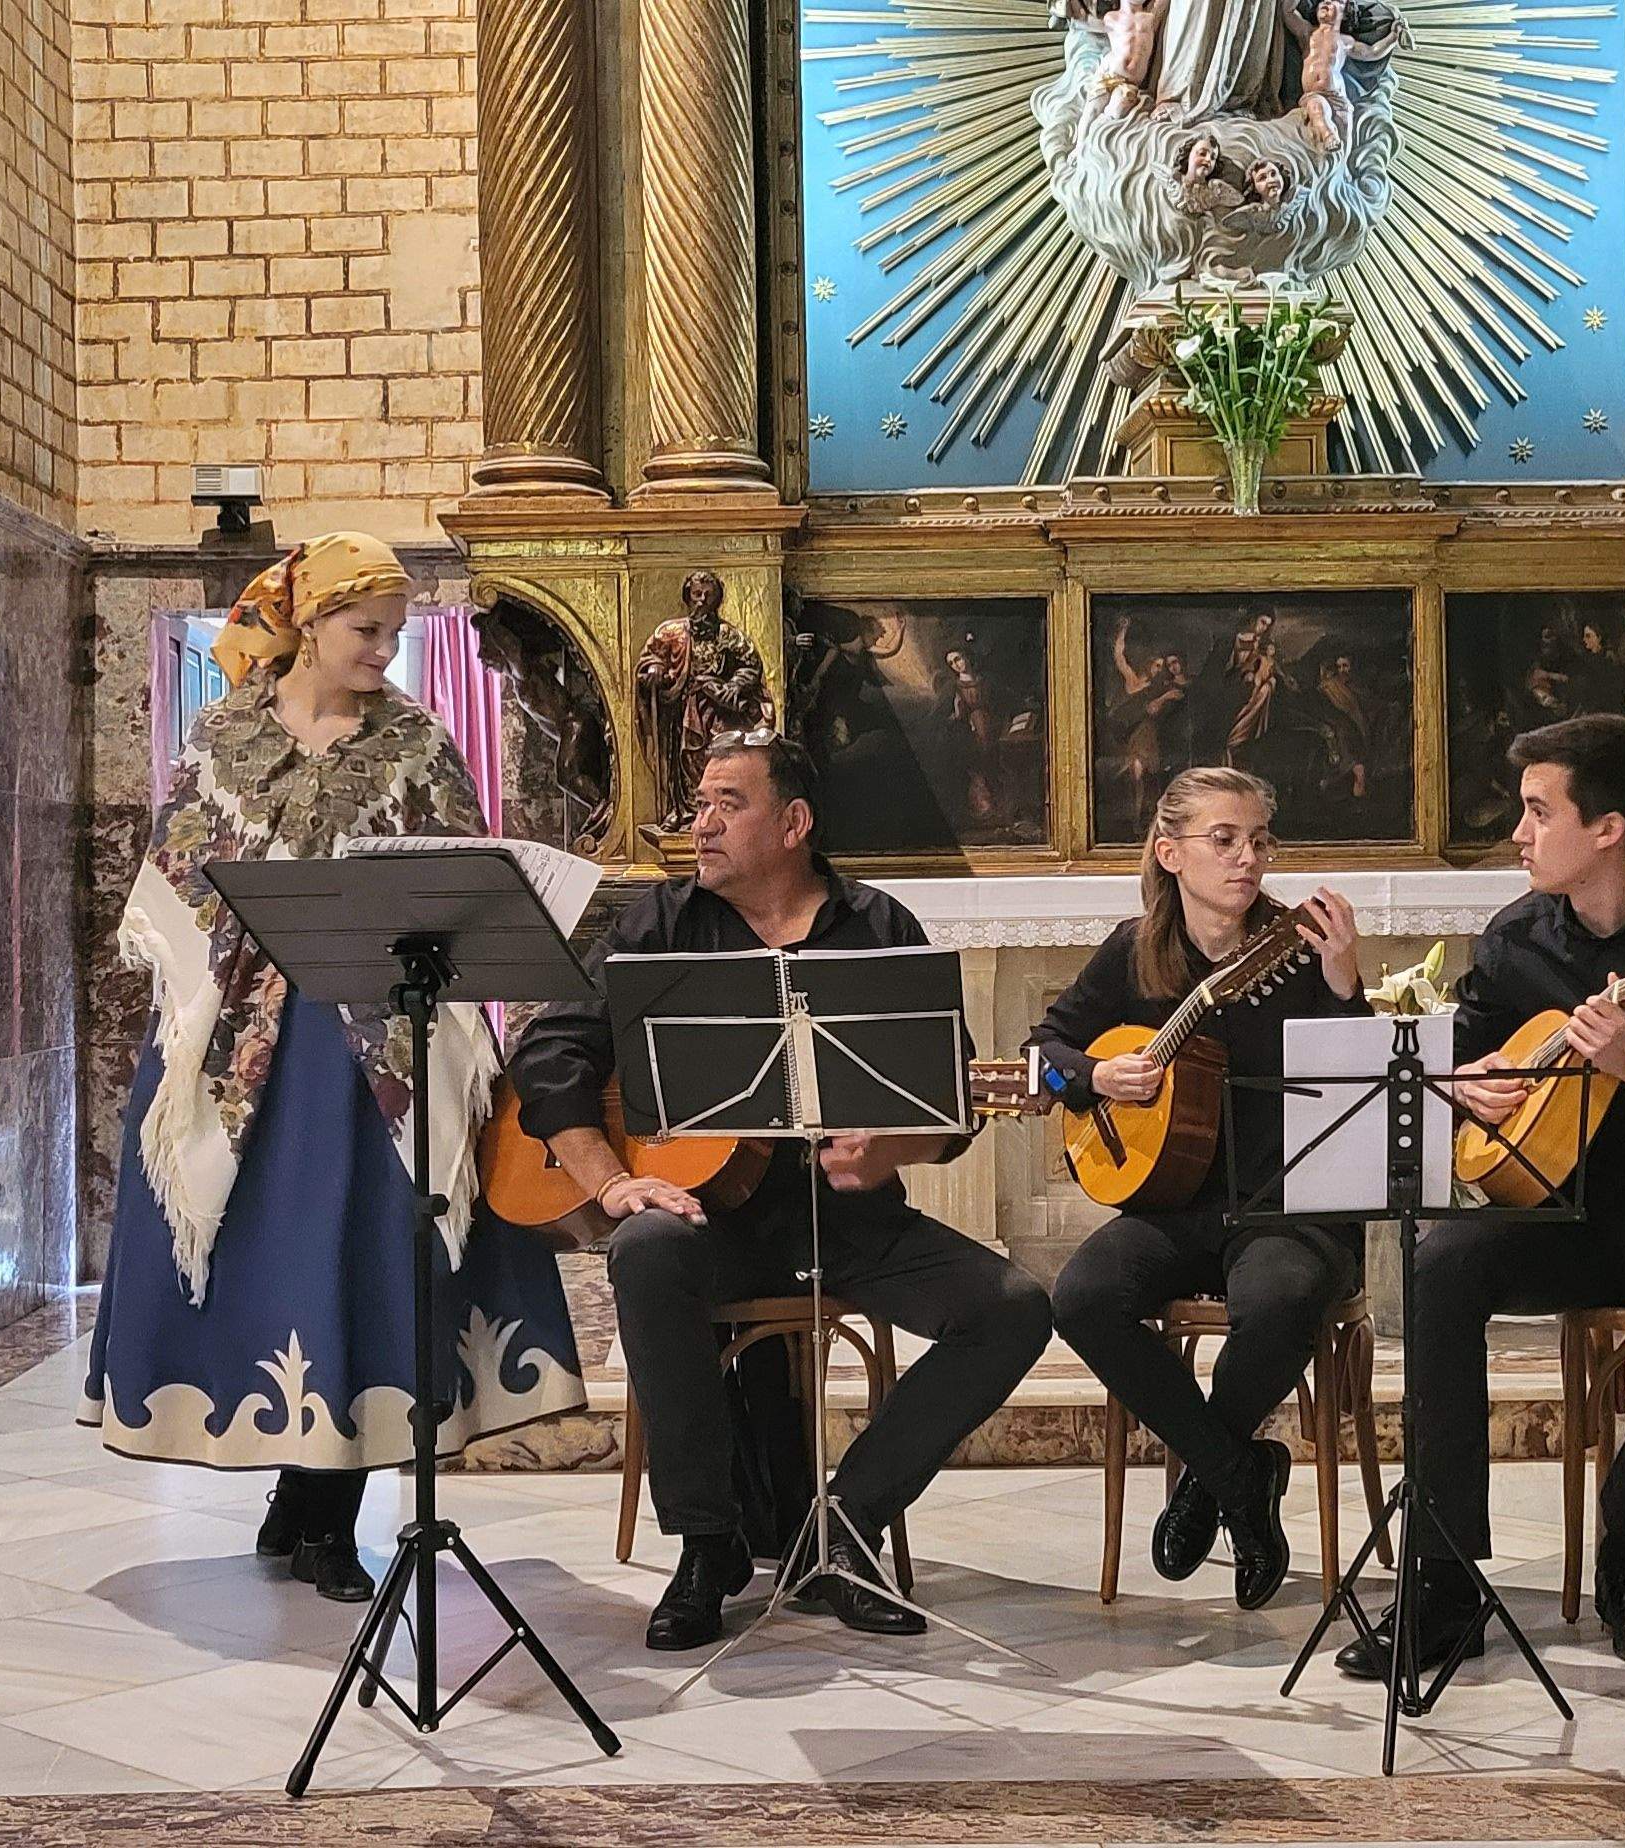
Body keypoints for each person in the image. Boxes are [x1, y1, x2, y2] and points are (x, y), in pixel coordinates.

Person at [85, 534, 587, 1603]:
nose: (384, 654)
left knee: (363, 1258)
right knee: (262, 1262)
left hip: (376, 1048)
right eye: (367, 632)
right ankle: (291, 1491)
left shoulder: (414, 740)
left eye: (397, 635)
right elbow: (176, 876)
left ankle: (327, 1514)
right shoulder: (220, 738)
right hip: (244, 1041)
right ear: (308, 625)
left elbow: (462, 879)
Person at [508, 733, 1055, 1652]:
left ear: (794, 823)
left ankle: (840, 1532)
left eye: (728, 803)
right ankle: (705, 1545)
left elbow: (945, 1100)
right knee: (645, 1254)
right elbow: (552, 1052)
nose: (700, 824)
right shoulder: (661, 922)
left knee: (1014, 1308)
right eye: (699, 805)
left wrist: (887, 1155)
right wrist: (612, 1183)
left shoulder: (877, 926)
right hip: (707, 1220)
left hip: (848, 1221)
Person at [1342, 713, 1625, 1677]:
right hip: (1566, 1210)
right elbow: (1464, 1070)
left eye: (1535, 810)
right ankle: (1444, 1584)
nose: (1516, 832)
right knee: (1438, 1266)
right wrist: (1465, 1081)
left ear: (1607, 829)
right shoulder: (1517, 940)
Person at [1032, 767, 1366, 1610]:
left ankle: (1206, 1483)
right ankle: (1240, 1475)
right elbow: (1046, 1051)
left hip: (1289, 1205)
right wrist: (1096, 1078)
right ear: (1170, 851)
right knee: (1082, 1296)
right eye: (1224, 840)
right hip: (1174, 1205)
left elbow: (1360, 1082)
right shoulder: (1132, 951)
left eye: (1258, 840)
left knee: (1282, 1295)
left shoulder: (1299, 946)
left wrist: (1343, 984)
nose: (1246, 858)